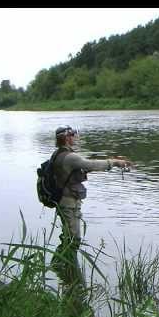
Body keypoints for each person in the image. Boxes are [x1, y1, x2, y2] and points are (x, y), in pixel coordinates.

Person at [50, 125, 132, 291]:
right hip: (68, 203)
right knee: (74, 240)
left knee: (68, 238)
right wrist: (115, 162)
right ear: (67, 138)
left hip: (66, 202)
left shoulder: (58, 154)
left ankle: (65, 274)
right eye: (73, 135)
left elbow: (77, 171)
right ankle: (63, 270)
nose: (75, 137)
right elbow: (91, 164)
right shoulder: (69, 156)